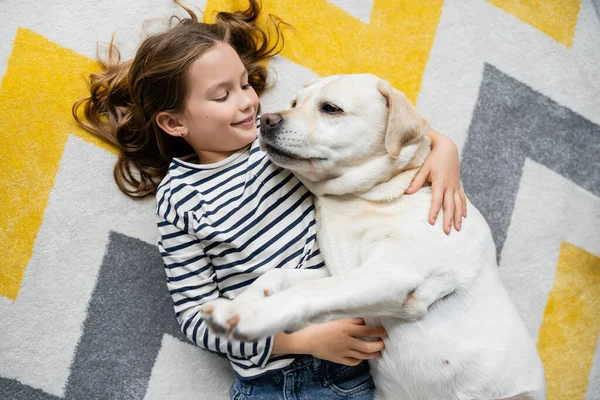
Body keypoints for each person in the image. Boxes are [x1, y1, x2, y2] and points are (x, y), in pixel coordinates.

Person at [73, 1, 467, 398]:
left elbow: (373, 138)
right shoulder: (180, 198)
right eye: (222, 95)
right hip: (277, 378)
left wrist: (442, 146)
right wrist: (301, 343)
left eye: (245, 84)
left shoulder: (282, 143)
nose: (247, 101)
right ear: (175, 122)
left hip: (363, 362)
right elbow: (196, 317)